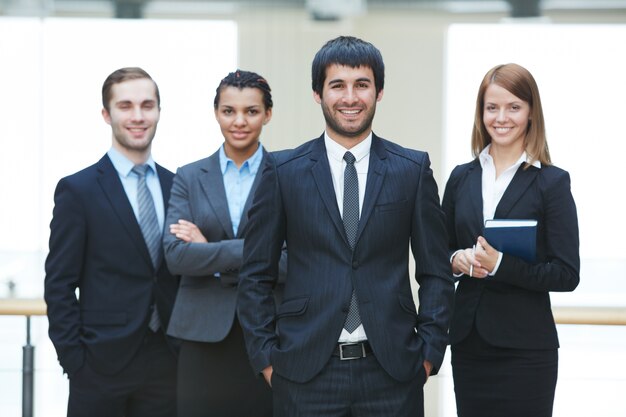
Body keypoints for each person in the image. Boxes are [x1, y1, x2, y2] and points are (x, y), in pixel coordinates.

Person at [237, 35, 455, 417]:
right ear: (317, 94)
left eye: (362, 85)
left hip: (392, 371)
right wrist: (268, 361)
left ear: (379, 92)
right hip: (304, 373)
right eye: (337, 85)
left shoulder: (412, 170)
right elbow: (255, 274)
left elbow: (436, 272)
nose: (350, 97)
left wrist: (428, 355)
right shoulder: (282, 171)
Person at [442, 63, 580, 417]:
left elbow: (566, 273)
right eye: (492, 107)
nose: (501, 117)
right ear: (481, 113)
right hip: (469, 345)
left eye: (513, 107)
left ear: (531, 112)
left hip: (526, 351)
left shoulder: (551, 182)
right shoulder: (461, 178)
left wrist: (500, 265)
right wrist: (456, 259)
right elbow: (439, 251)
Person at [44, 67, 178, 417]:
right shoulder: (78, 190)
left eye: (147, 105)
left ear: (159, 112)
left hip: (167, 363)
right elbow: (59, 284)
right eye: (125, 105)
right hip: (98, 367)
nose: (138, 116)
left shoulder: (177, 185)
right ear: (107, 114)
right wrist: (75, 361)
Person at [163, 69, 285, 417]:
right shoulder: (189, 176)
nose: (239, 121)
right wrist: (258, 252)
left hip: (269, 331)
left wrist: (206, 248)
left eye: (251, 111)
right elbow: (175, 256)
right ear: (216, 112)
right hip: (201, 334)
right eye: (229, 111)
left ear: (268, 114)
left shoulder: (288, 174)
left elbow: (296, 260)